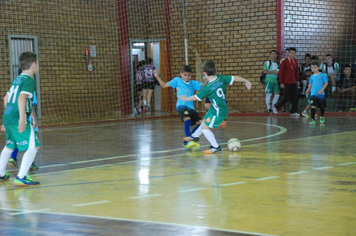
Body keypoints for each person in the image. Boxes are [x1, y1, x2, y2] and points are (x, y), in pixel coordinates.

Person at [179, 60, 251, 154]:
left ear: (205, 73)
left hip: (218, 112)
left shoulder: (207, 88)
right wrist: (246, 80)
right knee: (205, 121)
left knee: (205, 127)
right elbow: (235, 78)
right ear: (215, 70)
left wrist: (185, 98)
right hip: (218, 108)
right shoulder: (221, 78)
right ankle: (194, 136)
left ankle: (215, 146)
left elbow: (195, 97)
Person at [0, 51, 41, 186]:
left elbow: (6, 98)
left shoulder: (17, 79)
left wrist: (7, 119)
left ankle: (0, 173)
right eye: (38, 64)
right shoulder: (29, 80)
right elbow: (21, 97)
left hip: (8, 116)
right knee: (34, 146)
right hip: (17, 116)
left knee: (10, 145)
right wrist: (22, 119)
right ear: (33, 65)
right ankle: (22, 176)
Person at [153, 65, 203, 149]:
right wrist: (157, 76)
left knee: (202, 123)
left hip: (191, 107)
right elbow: (164, 85)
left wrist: (210, 80)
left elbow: (204, 85)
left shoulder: (193, 83)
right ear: (181, 74)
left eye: (189, 75)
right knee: (187, 119)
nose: (187, 77)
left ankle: (188, 140)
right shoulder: (177, 80)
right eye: (185, 75)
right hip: (181, 105)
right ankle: (188, 141)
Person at [272, 47, 300, 116]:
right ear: (288, 53)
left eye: (293, 53)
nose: (292, 54)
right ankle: (275, 107)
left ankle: (293, 111)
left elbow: (296, 72)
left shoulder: (295, 61)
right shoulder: (284, 62)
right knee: (287, 97)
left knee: (295, 97)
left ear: (295, 54)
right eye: (291, 53)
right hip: (286, 82)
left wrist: (298, 80)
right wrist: (281, 82)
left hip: (293, 82)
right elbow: (281, 73)